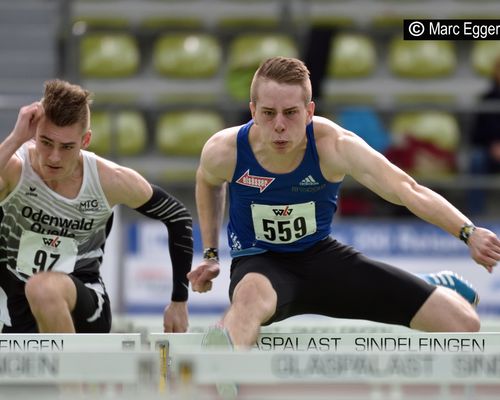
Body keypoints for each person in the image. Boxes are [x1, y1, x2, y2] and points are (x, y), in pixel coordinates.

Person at [188, 56, 500, 351]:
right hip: (259, 264)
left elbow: (407, 189)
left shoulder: (335, 145)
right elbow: (208, 182)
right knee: (248, 301)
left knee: (464, 323)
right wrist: (211, 253)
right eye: (269, 113)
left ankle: (427, 285)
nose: (280, 125)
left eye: (291, 113)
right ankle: (223, 367)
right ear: (253, 110)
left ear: (310, 111)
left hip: (323, 261)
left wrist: (468, 232)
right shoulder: (224, 150)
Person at [0, 79, 193, 333]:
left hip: (83, 303)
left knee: (43, 288)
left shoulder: (107, 180)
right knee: (36, 289)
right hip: (15, 307)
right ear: (34, 134)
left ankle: (72, 372)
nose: (54, 157)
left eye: (67, 147)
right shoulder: (15, 169)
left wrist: (179, 300)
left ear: (86, 140)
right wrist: (15, 138)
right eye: (46, 142)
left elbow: (178, 216)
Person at [468, 56, 500, 214]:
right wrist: (492, 145)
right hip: (491, 153)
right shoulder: (486, 99)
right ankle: (475, 216)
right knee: (477, 159)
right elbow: (476, 135)